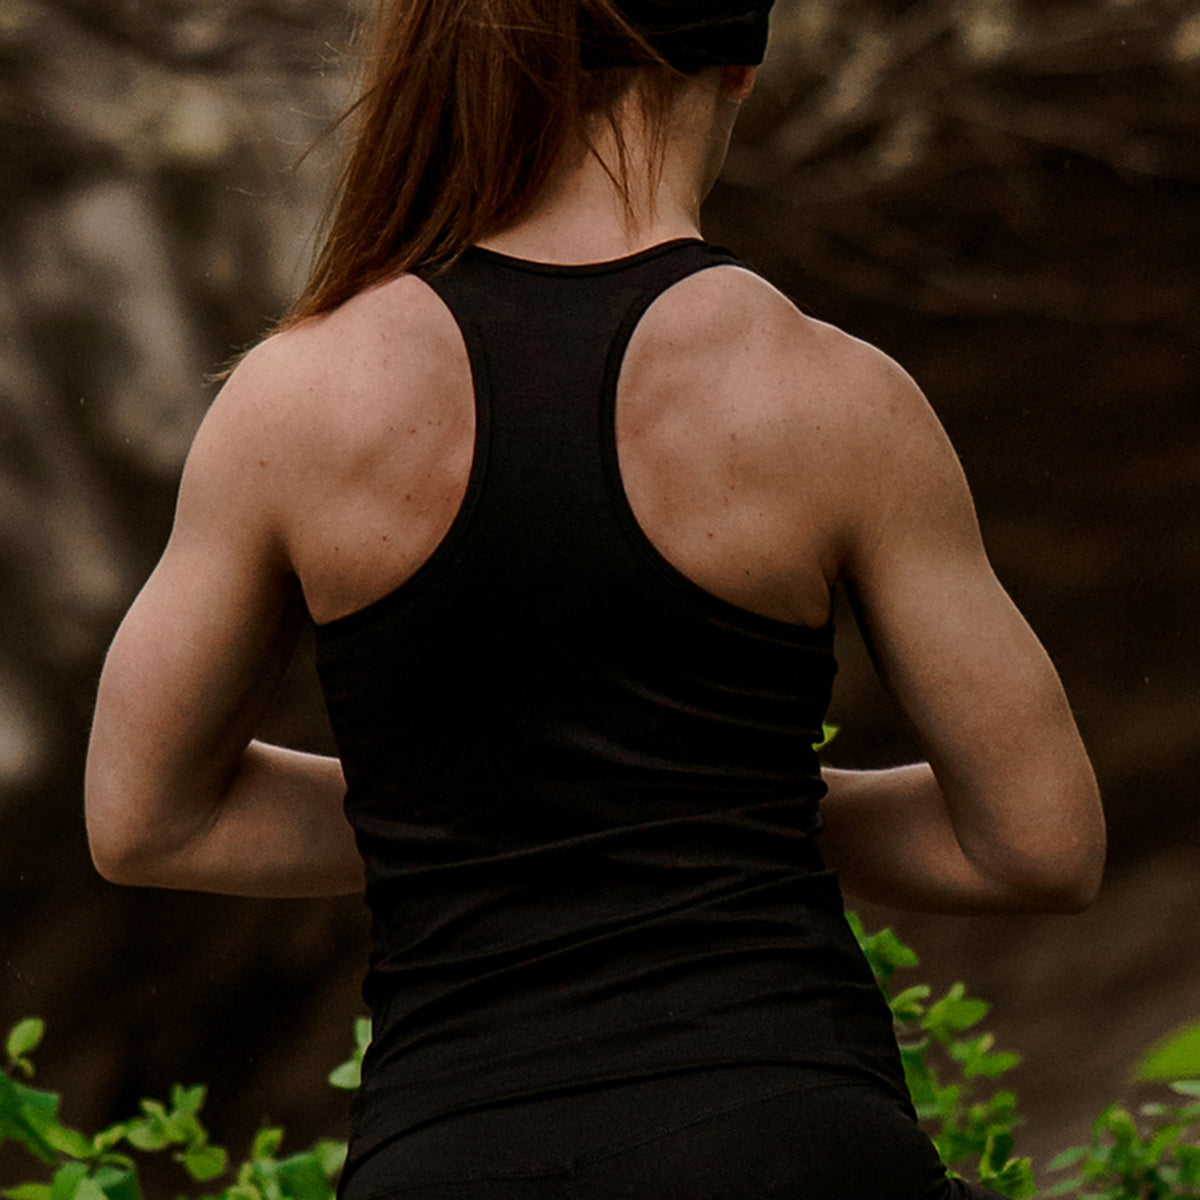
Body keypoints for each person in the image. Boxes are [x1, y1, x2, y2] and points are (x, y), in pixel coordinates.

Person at [85, 1, 1106, 1197]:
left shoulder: (293, 402)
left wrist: (474, 821)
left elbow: (145, 820)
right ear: (740, 65)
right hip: (785, 1135)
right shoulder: (835, 396)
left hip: (454, 1154)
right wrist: (714, 813)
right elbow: (1040, 844)